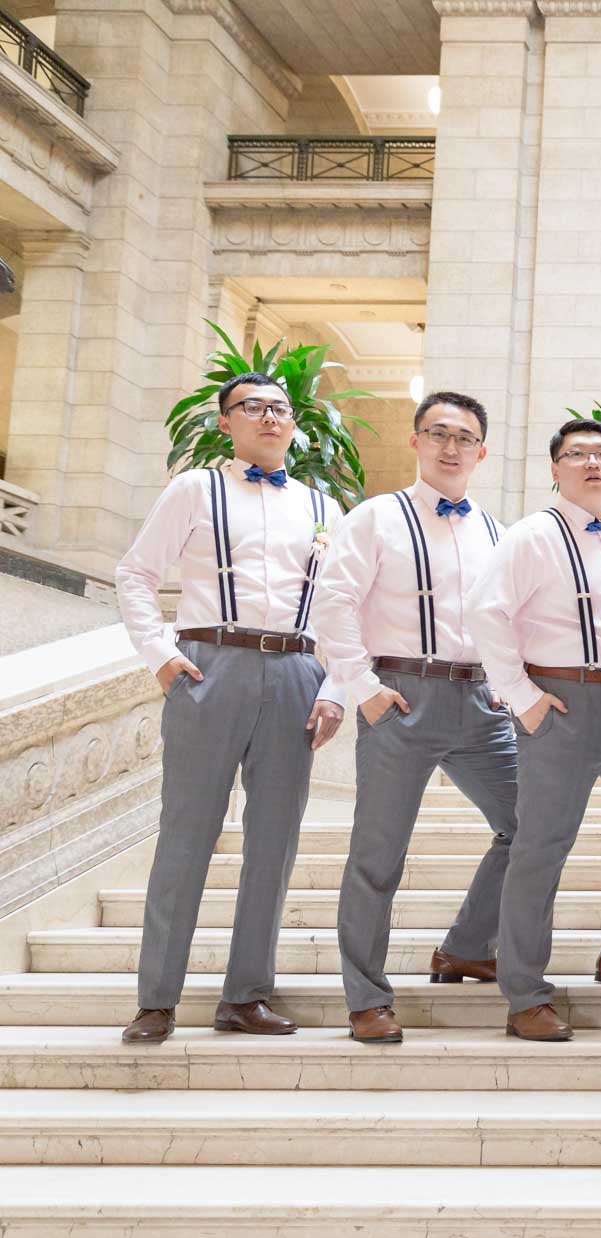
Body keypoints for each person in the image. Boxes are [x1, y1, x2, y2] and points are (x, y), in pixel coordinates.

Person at [113, 371, 345, 1044]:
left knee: (274, 842)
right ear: (226, 423)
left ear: (295, 423)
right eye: (252, 407)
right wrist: (160, 652)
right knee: (187, 835)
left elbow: (343, 607)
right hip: (210, 664)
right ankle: (157, 999)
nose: (268, 417)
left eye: (279, 408)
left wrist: (333, 688)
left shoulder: (324, 507)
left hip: (298, 670)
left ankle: (245, 995)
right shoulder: (196, 488)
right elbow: (136, 572)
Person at [316, 392, 516, 1043]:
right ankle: (366, 998)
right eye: (438, 433)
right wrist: (363, 688)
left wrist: (508, 684)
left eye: (464, 437)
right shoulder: (376, 517)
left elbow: (508, 618)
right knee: (378, 855)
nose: (451, 446)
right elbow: (335, 603)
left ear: (482, 451)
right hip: (399, 695)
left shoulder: (495, 531)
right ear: (417, 442)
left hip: (480, 704)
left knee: (533, 822)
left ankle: (467, 943)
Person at [468, 417, 601, 1042]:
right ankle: (524, 995)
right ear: (555, 469)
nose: (592, 463)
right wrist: (523, 697)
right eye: (577, 455)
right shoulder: (530, 536)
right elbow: (484, 613)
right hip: (561, 703)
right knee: (540, 848)